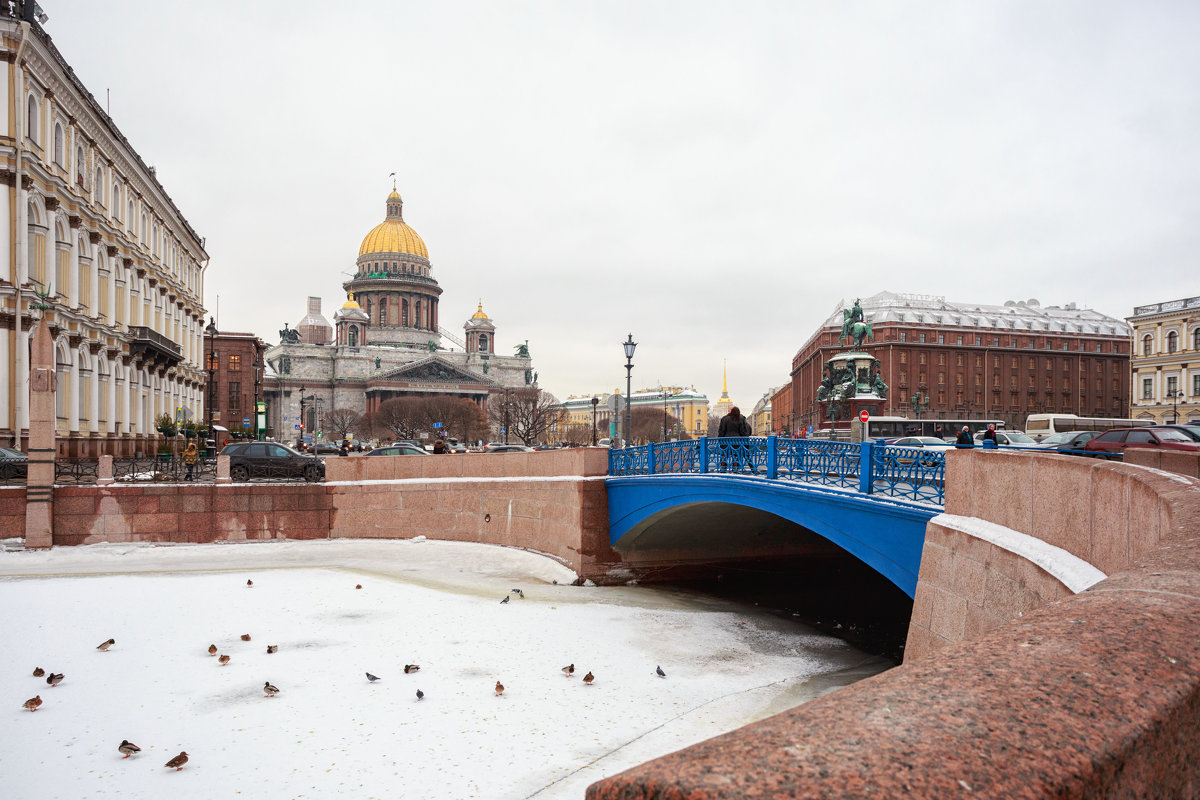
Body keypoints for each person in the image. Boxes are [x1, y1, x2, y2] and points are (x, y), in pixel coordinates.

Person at [717, 406, 752, 472]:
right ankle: (735, 468)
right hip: (737, 441)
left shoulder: (724, 419)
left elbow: (722, 431)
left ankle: (722, 468)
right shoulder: (741, 419)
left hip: (726, 441)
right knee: (736, 455)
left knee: (724, 455)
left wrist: (720, 440)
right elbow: (742, 431)